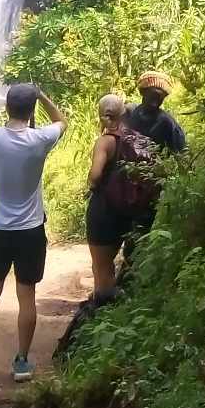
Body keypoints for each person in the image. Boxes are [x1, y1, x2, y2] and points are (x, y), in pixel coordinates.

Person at [0, 81, 66, 384]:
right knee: (27, 298)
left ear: (7, 107)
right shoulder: (40, 140)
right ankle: (22, 362)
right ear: (31, 109)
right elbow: (62, 121)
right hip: (30, 231)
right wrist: (44, 95)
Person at [84, 93, 134, 302]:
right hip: (127, 210)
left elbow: (95, 175)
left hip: (104, 211)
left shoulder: (105, 142)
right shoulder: (133, 139)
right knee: (112, 267)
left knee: (101, 269)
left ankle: (101, 315)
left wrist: (91, 183)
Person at [126, 70, 187, 154]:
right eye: (152, 96)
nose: (155, 103)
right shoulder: (129, 112)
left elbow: (182, 152)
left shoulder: (167, 122)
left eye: (159, 99)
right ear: (143, 93)